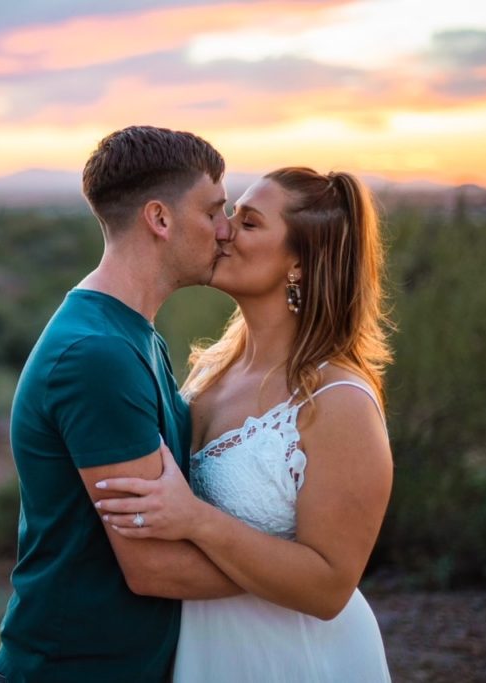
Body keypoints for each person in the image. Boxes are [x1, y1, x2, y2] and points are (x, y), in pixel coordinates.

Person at [95, 167, 394, 682]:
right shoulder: (212, 371)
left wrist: (196, 521)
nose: (224, 230)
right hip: (210, 655)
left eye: (249, 223)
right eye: (229, 213)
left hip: (297, 661)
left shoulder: (338, 401)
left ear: (299, 262)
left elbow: (330, 589)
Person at [0, 126, 245, 683]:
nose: (227, 232)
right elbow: (153, 567)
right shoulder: (96, 354)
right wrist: (303, 574)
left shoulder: (132, 333)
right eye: (213, 211)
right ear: (160, 219)